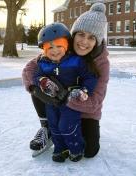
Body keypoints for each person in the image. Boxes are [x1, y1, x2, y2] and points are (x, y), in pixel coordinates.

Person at [22, 2, 109, 159]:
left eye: (91, 38)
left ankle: (72, 130)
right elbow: (29, 70)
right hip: (55, 106)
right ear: (73, 35)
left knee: (90, 151)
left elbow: (95, 101)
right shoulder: (60, 49)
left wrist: (65, 97)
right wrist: (37, 89)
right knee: (40, 80)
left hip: (85, 110)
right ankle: (47, 128)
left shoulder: (101, 62)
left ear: (97, 41)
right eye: (81, 34)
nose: (84, 42)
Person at [32, 22, 98, 162]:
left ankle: (75, 148)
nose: (54, 50)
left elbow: (90, 76)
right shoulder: (43, 63)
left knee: (67, 126)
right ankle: (60, 149)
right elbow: (35, 77)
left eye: (59, 46)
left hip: (70, 101)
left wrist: (84, 90)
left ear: (66, 45)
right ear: (44, 49)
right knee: (54, 125)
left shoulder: (75, 61)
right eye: (49, 47)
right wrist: (43, 81)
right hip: (52, 102)